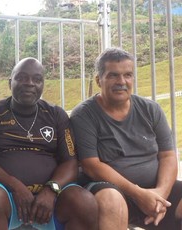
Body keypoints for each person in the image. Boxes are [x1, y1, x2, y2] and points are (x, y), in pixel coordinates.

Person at [0, 57, 98, 230]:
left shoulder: (56, 115)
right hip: (7, 196)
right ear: (10, 83)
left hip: (51, 199)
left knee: (83, 201)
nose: (29, 83)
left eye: (37, 79)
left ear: (43, 85)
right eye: (22, 78)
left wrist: (51, 190)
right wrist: (15, 186)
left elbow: (70, 162)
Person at [70, 47, 182, 230]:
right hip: (110, 190)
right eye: (113, 75)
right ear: (99, 80)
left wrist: (160, 194)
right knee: (111, 199)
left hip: (154, 191)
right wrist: (138, 194)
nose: (121, 81)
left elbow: (168, 156)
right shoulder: (84, 115)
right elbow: (91, 165)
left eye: (128, 75)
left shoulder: (150, 109)